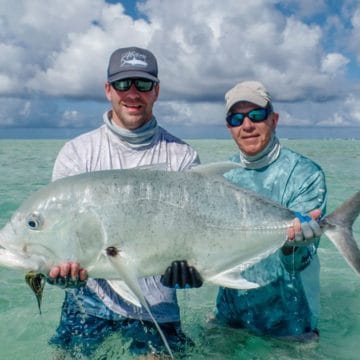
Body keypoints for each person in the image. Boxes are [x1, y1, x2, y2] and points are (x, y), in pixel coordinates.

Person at [46, 46, 201, 358]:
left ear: (156, 91)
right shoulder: (76, 154)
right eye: (122, 84)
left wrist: (195, 267)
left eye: (142, 84)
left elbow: (196, 233)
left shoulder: (182, 157)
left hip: (156, 308)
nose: (133, 93)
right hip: (86, 307)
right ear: (108, 90)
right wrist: (59, 273)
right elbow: (60, 234)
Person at [213, 80, 327, 340]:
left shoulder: (304, 174)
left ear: (274, 119)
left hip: (290, 322)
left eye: (256, 115)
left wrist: (292, 246)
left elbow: (301, 259)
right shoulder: (221, 176)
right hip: (230, 317)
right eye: (237, 118)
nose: (247, 125)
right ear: (229, 128)